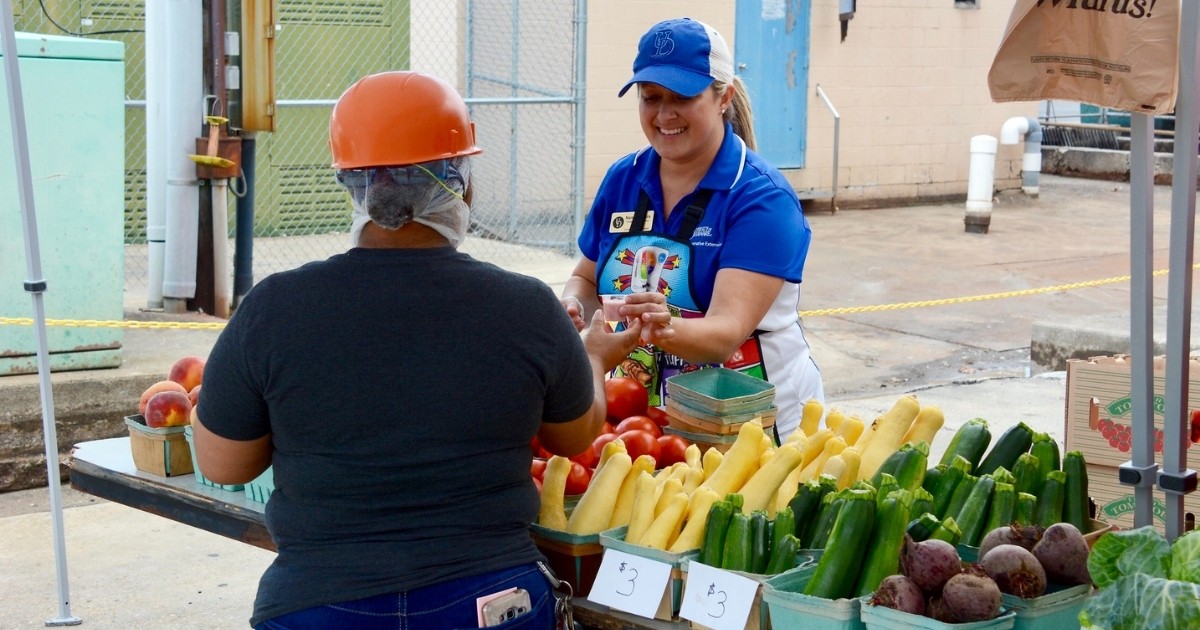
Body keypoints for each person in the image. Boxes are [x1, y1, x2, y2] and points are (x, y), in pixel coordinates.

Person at [192, 70, 642, 629]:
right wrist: (594, 357)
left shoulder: (274, 309)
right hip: (490, 602)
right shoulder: (525, 306)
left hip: (319, 602)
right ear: (463, 183)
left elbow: (221, 463)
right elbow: (573, 437)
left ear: (352, 186)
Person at [561, 17, 824, 441]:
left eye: (682, 97)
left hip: (749, 427)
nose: (664, 115)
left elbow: (724, 333)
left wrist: (661, 326)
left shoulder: (762, 197)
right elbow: (585, 278)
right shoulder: (623, 179)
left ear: (724, 98)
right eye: (651, 97)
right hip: (645, 422)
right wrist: (574, 307)